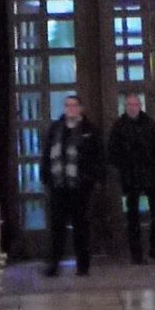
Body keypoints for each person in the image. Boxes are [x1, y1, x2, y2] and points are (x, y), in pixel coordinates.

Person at [40, 91, 103, 276]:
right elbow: (47, 154)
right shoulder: (55, 129)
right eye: (68, 106)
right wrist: (46, 177)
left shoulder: (89, 130)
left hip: (80, 188)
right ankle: (54, 264)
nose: (71, 109)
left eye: (74, 106)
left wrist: (93, 179)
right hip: (59, 187)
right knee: (57, 228)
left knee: (81, 228)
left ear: (80, 109)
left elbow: (97, 156)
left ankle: (83, 265)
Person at [107, 89, 155, 263]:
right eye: (129, 105)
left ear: (140, 106)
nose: (133, 108)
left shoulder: (150, 124)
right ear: (125, 107)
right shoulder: (119, 126)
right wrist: (123, 168)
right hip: (130, 176)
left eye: (135, 104)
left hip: (150, 175)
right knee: (132, 216)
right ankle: (136, 253)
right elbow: (113, 151)